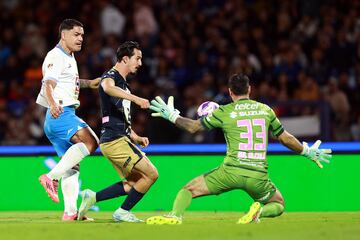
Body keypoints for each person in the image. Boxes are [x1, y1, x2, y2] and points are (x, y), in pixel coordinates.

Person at [146, 73, 332, 225]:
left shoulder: (224, 112)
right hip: (258, 175)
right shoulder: (266, 110)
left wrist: (171, 116)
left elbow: (194, 127)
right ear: (249, 89)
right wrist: (306, 151)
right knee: (278, 203)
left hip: (230, 172)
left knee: (187, 190)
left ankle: (175, 216)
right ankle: (259, 212)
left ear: (230, 92)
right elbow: (285, 138)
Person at [77, 41, 158, 223]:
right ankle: (122, 212)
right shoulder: (111, 76)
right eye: (137, 58)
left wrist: (135, 136)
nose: (140, 63)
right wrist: (136, 99)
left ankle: (93, 197)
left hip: (117, 139)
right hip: (115, 141)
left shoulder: (123, 84)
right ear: (125, 59)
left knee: (133, 184)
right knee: (152, 174)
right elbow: (107, 87)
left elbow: (121, 118)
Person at [36, 19, 100, 221]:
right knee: (91, 142)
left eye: (82, 35)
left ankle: (70, 212)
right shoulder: (56, 55)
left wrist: (89, 83)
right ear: (63, 35)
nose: (81, 38)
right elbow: (48, 84)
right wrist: (54, 104)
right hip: (60, 113)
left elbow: (68, 81)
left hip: (61, 114)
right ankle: (49, 177)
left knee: (72, 167)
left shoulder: (69, 57)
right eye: (76, 34)